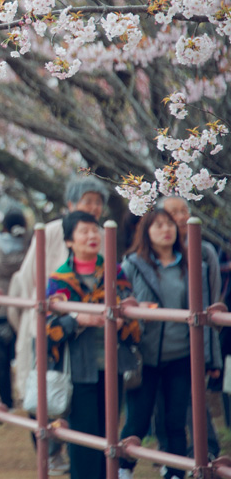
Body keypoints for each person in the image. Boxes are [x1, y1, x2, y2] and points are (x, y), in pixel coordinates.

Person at [7, 174, 109, 474]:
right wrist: (30, 319)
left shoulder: (103, 235)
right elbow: (25, 282)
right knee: (45, 391)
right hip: (48, 322)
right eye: (86, 201)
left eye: (97, 202)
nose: (92, 207)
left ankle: (69, 455)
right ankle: (49, 452)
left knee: (83, 405)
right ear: (70, 204)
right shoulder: (52, 232)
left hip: (91, 336)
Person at [118, 208, 222, 479]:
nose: (166, 230)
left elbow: (205, 315)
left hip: (182, 355)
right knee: (137, 420)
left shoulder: (193, 266)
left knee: (175, 421)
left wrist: (211, 359)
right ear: (146, 232)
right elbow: (121, 302)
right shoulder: (132, 265)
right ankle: (122, 468)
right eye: (158, 225)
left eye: (170, 225)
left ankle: (174, 471)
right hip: (145, 355)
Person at [46, 211, 140, 479]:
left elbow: (130, 307)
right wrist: (78, 318)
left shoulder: (115, 271)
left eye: (94, 230)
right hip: (78, 370)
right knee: (84, 440)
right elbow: (49, 328)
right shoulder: (58, 280)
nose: (92, 236)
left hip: (113, 366)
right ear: (69, 241)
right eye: (83, 231)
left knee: (109, 435)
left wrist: (124, 319)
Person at [159, 196, 222, 460]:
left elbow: (214, 293)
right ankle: (175, 455)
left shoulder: (204, 251)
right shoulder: (153, 253)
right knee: (171, 402)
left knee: (193, 399)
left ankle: (204, 452)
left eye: (185, 209)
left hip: (198, 336)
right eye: (174, 212)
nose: (182, 216)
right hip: (164, 341)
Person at [0, 208, 28, 408]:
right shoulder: (29, 246)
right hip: (24, 304)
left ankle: (7, 399)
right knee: (24, 351)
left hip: (0, 307)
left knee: (2, 359)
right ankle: (27, 392)